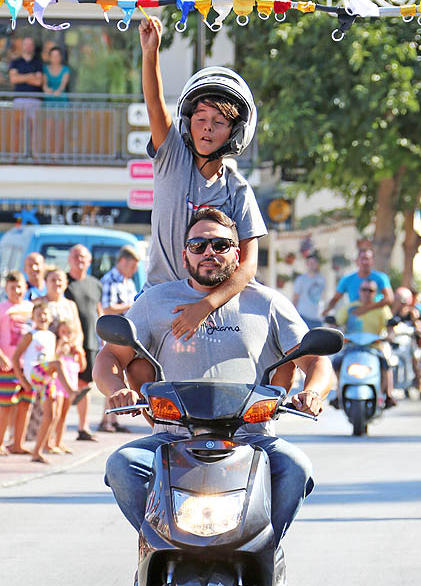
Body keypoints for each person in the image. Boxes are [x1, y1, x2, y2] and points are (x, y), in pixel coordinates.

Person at [93, 208, 334, 556]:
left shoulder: (266, 302)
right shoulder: (154, 302)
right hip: (172, 440)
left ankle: (263, 550)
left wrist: (312, 392)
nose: (209, 252)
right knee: (122, 464)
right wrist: (116, 390)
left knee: (296, 466)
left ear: (238, 253)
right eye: (198, 244)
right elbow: (110, 357)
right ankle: (157, 545)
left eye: (220, 244)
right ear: (184, 253)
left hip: (251, 440)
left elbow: (315, 360)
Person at [137, 17, 266, 332]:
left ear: (236, 133)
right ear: (187, 122)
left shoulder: (238, 189)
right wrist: (150, 52)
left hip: (214, 305)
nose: (208, 127)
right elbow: (154, 106)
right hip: (157, 297)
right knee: (126, 365)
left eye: (220, 121)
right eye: (201, 117)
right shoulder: (172, 157)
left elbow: (248, 266)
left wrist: (204, 306)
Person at [12, 302, 86, 463]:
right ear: (33, 318)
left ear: (51, 318)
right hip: (34, 372)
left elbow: (52, 357)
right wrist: (22, 380)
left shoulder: (52, 337)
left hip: (46, 376)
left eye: (45, 314)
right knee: (58, 364)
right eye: (38, 314)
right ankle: (72, 392)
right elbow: (15, 357)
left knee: (51, 414)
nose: (42, 317)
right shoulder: (30, 335)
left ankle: (37, 451)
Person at [333, 279, 397, 408]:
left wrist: (390, 336)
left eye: (371, 290)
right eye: (364, 290)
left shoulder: (381, 309)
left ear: (375, 293)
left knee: (386, 364)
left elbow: (390, 328)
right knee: (336, 363)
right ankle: (338, 395)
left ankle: (388, 395)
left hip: (374, 348)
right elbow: (336, 323)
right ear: (359, 291)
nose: (367, 293)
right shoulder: (350, 308)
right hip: (351, 348)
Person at [98, 245, 140, 432]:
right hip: (112, 335)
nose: (135, 270)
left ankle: (113, 420)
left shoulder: (128, 282)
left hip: (127, 338)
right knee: (111, 376)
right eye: (132, 265)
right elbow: (106, 309)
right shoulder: (109, 280)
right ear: (123, 261)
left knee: (120, 377)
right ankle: (106, 420)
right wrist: (130, 306)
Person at [65, 245, 103, 441]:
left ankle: (83, 427)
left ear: (89, 261)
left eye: (83, 257)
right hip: (69, 344)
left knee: (85, 384)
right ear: (69, 259)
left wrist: (104, 338)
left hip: (90, 341)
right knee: (65, 386)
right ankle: (56, 429)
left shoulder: (95, 284)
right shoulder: (63, 283)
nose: (79, 259)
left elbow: (98, 310)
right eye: (75, 256)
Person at [0, 271, 34, 455]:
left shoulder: (30, 308)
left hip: (28, 366)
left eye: (20, 287)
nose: (17, 291)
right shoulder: (3, 309)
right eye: (12, 288)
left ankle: (18, 442)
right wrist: (2, 357)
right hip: (8, 366)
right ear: (6, 289)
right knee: (6, 405)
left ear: (25, 287)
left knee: (25, 404)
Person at [322, 247, 393, 318]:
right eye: (362, 259)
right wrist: (326, 311)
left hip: (376, 316)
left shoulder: (381, 277)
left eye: (368, 259)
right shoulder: (347, 279)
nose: (365, 262)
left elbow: (389, 298)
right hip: (355, 317)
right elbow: (335, 299)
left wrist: (365, 309)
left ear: (372, 261)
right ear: (357, 261)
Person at [50, 320, 87, 454]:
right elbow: (54, 357)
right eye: (63, 332)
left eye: (69, 332)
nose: (66, 335)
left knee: (64, 415)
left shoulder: (76, 350)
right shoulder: (59, 346)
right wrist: (60, 345)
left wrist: (80, 353)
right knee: (56, 414)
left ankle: (59, 442)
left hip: (71, 385)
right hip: (59, 386)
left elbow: (82, 367)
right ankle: (49, 441)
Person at [292, 252, 326, 329]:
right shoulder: (301, 280)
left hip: (317, 318)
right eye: (310, 263)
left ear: (317, 264)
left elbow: (323, 296)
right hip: (304, 317)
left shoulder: (321, 279)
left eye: (314, 263)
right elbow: (295, 298)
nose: (312, 265)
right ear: (307, 264)